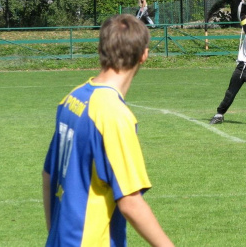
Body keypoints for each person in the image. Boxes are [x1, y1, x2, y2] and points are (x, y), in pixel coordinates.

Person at [42, 14, 174, 247]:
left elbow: (48, 174)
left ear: (102, 48)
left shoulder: (72, 98)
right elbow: (130, 201)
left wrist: (55, 233)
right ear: (144, 55)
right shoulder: (113, 115)